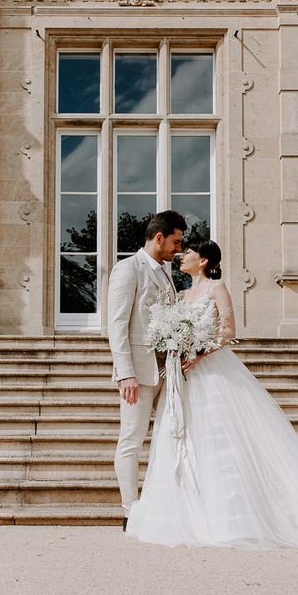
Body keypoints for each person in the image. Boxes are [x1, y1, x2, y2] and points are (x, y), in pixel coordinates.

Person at [125, 239, 298, 548]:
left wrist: (198, 351)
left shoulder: (217, 288)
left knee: (223, 441)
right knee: (186, 441)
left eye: (189, 252)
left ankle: (237, 515)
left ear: (204, 260)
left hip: (212, 370)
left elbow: (228, 332)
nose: (182, 255)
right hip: (183, 378)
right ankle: (191, 510)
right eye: (182, 251)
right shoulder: (182, 294)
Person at [107, 210, 187, 532]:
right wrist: (125, 372)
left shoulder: (166, 274)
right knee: (131, 439)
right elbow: (116, 325)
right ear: (159, 238)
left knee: (169, 439)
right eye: (176, 242)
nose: (178, 249)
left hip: (166, 372)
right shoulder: (128, 270)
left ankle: (163, 503)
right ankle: (130, 511)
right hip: (138, 374)